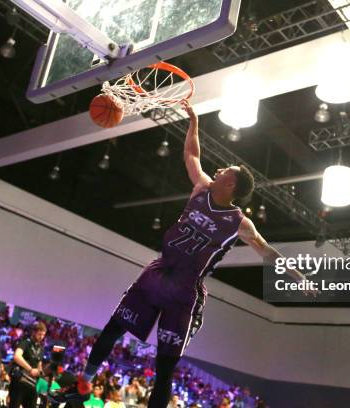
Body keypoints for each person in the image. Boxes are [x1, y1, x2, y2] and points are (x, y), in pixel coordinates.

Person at [68, 101, 308, 407]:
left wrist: (297, 276)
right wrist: (194, 121)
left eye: (224, 170)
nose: (217, 170)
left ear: (230, 183)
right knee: (114, 327)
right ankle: (84, 383)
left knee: (165, 366)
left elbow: (266, 250)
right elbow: (191, 155)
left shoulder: (239, 222)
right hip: (158, 272)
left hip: (184, 290)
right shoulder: (202, 188)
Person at [9, 322, 47, 408]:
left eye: (43, 335)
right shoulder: (25, 342)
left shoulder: (41, 349)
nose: (41, 337)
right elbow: (17, 356)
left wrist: (43, 375)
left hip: (32, 384)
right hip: (20, 380)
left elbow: (39, 367)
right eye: (39, 334)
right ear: (33, 332)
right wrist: (30, 369)